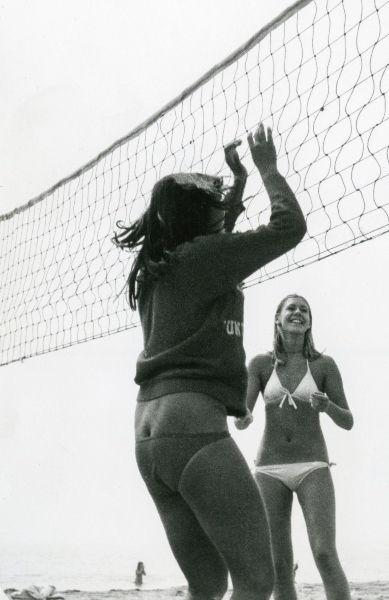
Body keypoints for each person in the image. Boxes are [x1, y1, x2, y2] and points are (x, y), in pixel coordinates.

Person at [114, 123, 305, 600]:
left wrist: (237, 184)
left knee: (208, 585)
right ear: (199, 215)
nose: (222, 207)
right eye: (215, 202)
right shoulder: (204, 259)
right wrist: (266, 169)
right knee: (257, 581)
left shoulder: (159, 267)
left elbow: (218, 245)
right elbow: (289, 228)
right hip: (191, 423)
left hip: (149, 436)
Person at [235, 294, 353, 600]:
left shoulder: (324, 365)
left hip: (312, 466)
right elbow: (243, 415)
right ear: (278, 318)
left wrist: (327, 406)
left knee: (324, 553)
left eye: (304, 310)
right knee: (279, 565)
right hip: (268, 468)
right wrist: (242, 418)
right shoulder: (260, 364)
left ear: (310, 322)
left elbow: (348, 421)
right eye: (291, 308)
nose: (298, 312)